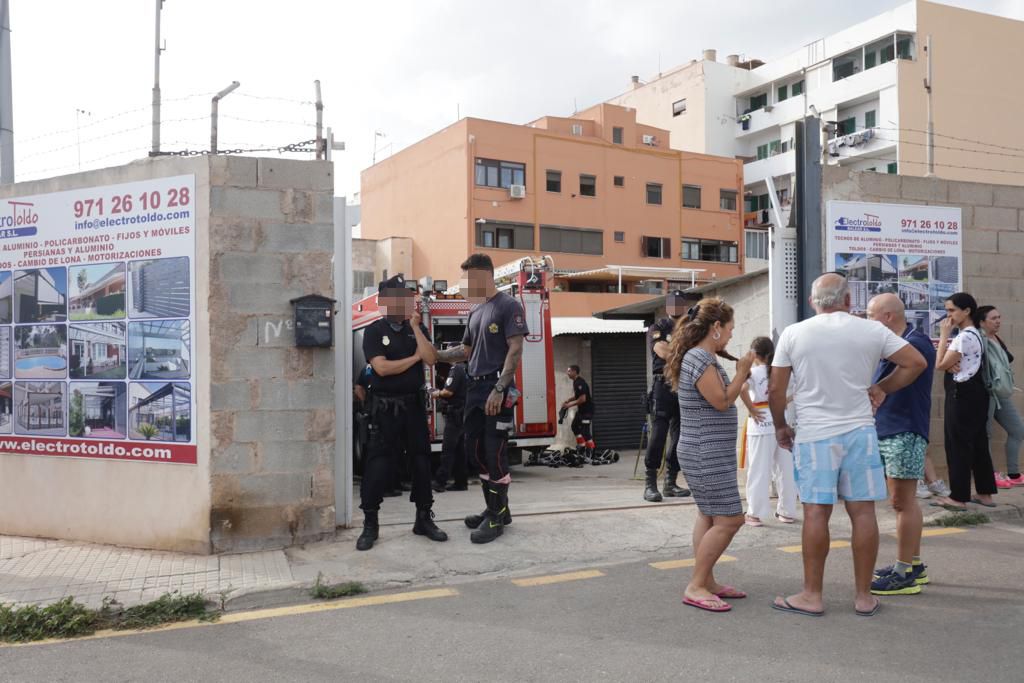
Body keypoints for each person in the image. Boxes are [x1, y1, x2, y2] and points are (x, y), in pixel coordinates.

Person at [769, 273, 926, 618]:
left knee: (815, 512)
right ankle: (863, 597)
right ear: (848, 301)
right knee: (863, 512)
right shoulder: (871, 330)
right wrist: (882, 387)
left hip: (814, 435)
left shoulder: (794, 333)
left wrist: (781, 425)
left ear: (813, 302)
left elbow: (776, 391)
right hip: (860, 431)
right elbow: (916, 363)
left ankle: (812, 595)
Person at [414, 253, 528, 544]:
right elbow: (465, 351)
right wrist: (438, 354)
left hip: (495, 389)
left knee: (494, 453)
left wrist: (500, 389)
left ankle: (496, 517)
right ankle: (497, 509)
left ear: (484, 276)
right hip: (475, 391)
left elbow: (514, 351)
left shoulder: (508, 305)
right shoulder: (477, 310)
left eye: (469, 278)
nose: (466, 283)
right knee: (476, 454)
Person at [663, 298, 754, 613]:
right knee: (731, 519)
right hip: (705, 452)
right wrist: (742, 371)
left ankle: (707, 580)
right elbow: (721, 400)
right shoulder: (701, 358)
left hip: (705, 450)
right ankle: (697, 585)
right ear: (715, 328)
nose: (730, 336)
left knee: (709, 515)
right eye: (729, 329)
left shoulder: (699, 357)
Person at [355, 275, 448, 551]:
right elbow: (382, 369)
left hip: (413, 408)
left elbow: (431, 359)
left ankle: (423, 519)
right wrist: (414, 358)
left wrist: (417, 329)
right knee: (378, 466)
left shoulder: (415, 328)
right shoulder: (374, 331)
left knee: (421, 463)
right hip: (384, 410)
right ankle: (370, 524)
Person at [866, 293, 936, 596]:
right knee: (904, 502)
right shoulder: (899, 342)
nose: (867, 321)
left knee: (901, 502)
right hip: (892, 429)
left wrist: (880, 388)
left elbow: (914, 367)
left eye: (871, 315)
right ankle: (914, 565)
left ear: (888, 317)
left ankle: (904, 571)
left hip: (904, 430)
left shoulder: (914, 344)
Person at [933, 293, 998, 511]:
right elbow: (954, 363)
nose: (948, 315)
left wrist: (943, 336)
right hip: (976, 394)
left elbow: (940, 364)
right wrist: (951, 363)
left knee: (957, 445)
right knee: (979, 444)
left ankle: (958, 497)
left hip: (961, 395)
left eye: (952, 310)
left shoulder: (963, 336)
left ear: (967, 311)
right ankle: (985, 493)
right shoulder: (976, 334)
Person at [739, 337, 797, 527]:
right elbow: (794, 393)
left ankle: (754, 514)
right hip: (781, 422)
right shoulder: (783, 371)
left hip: (761, 423)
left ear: (754, 354)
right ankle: (787, 511)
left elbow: (742, 389)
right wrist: (783, 402)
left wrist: (751, 408)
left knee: (758, 470)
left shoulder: (754, 372)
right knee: (786, 469)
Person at [643, 290, 692, 502]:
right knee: (658, 435)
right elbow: (661, 350)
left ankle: (670, 482)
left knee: (680, 437)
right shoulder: (658, 327)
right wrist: (684, 352)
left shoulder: (690, 328)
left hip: (684, 386)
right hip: (663, 387)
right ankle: (650, 484)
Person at [977, 305, 1024, 487]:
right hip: (986, 392)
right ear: (981, 322)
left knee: (1018, 430)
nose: (998, 321)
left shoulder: (995, 338)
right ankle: (991, 475)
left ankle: (1013, 473)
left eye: (999, 317)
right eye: (993, 318)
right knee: (986, 434)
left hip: (1001, 392)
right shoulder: (979, 339)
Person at [431, 359, 469, 492]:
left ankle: (440, 482)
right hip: (462, 413)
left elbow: (448, 392)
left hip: (455, 415)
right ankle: (461, 482)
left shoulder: (456, 369)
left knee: (448, 450)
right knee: (459, 451)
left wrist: (436, 393)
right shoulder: (465, 368)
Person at [562, 365, 596, 461]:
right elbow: (578, 395)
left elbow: (582, 399)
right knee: (574, 426)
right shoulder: (576, 382)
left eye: (569, 371)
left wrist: (569, 405)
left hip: (587, 411)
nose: (567, 373)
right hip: (581, 411)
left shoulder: (580, 382)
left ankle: (591, 451)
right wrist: (569, 399)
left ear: (574, 372)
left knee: (585, 432)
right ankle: (582, 446)